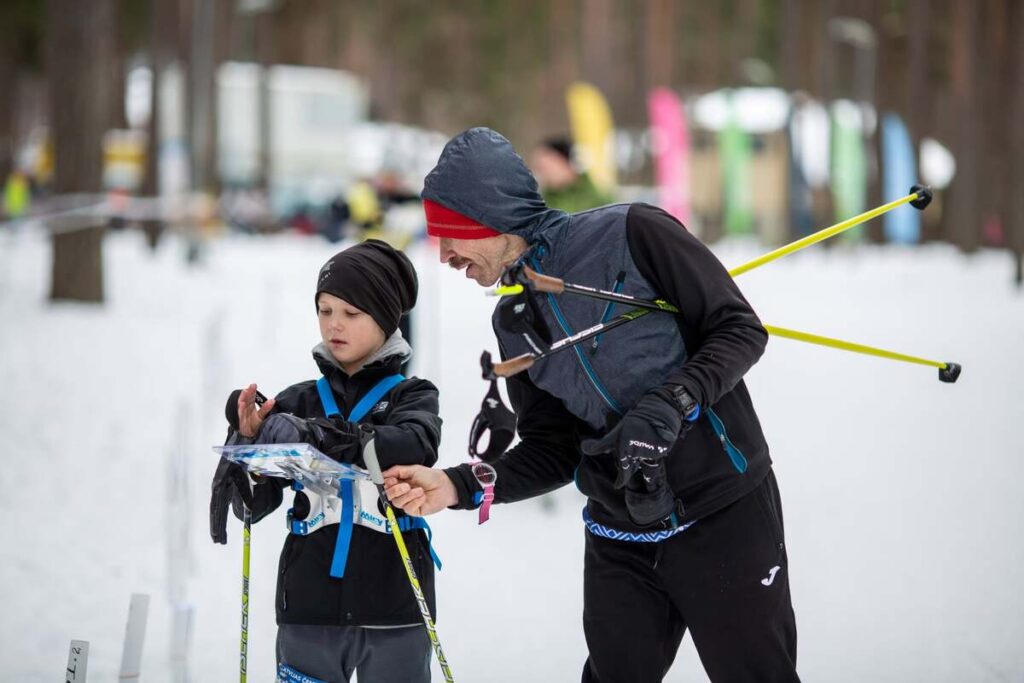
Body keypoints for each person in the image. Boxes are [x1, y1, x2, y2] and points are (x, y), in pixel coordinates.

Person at [383, 128, 799, 682]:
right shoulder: (514, 323)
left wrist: (671, 402)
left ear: (491, 216)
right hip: (620, 530)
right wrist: (458, 485)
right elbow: (554, 450)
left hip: (722, 508)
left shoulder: (635, 232)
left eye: (453, 234)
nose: (445, 255)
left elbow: (739, 329)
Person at [209, 239, 443, 683]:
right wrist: (248, 447)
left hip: (394, 604)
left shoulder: (411, 396)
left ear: (386, 317)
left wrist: (319, 436)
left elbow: (414, 444)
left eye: (351, 314)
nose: (334, 325)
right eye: (325, 310)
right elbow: (253, 507)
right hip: (307, 605)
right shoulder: (296, 402)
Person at [529, 135, 614, 213]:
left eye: (546, 166)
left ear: (566, 161)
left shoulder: (598, 197)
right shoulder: (541, 202)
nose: (542, 173)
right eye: (539, 167)